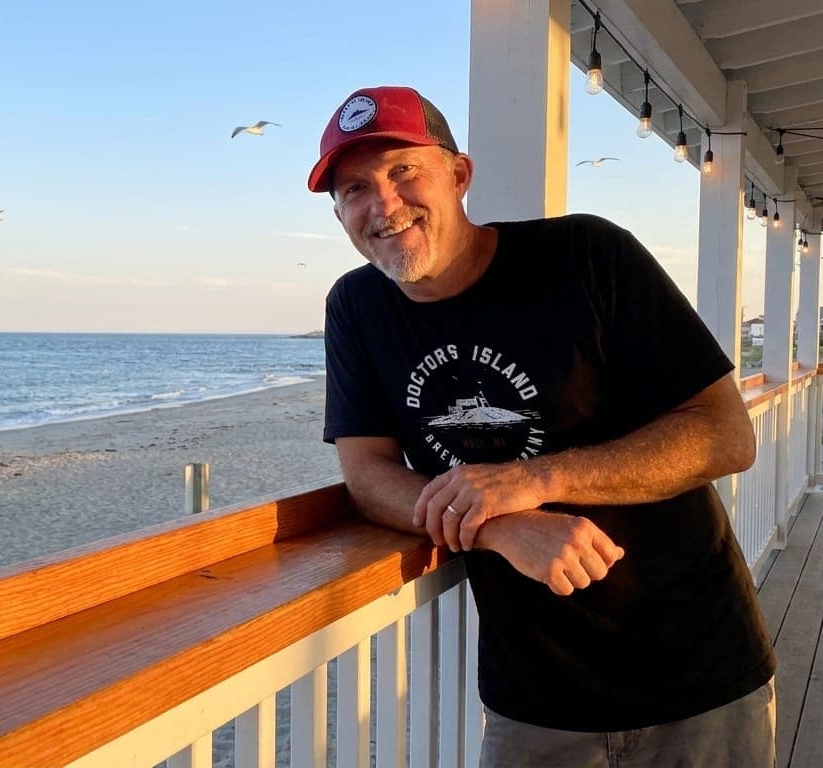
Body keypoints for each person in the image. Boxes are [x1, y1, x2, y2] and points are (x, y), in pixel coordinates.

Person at [311, 85, 777, 767]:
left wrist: (535, 479)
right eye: (354, 188)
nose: (383, 204)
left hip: (697, 674)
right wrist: (496, 525)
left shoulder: (587, 257)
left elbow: (725, 434)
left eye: (404, 170)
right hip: (533, 700)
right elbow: (367, 475)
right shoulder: (357, 308)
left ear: (459, 174)